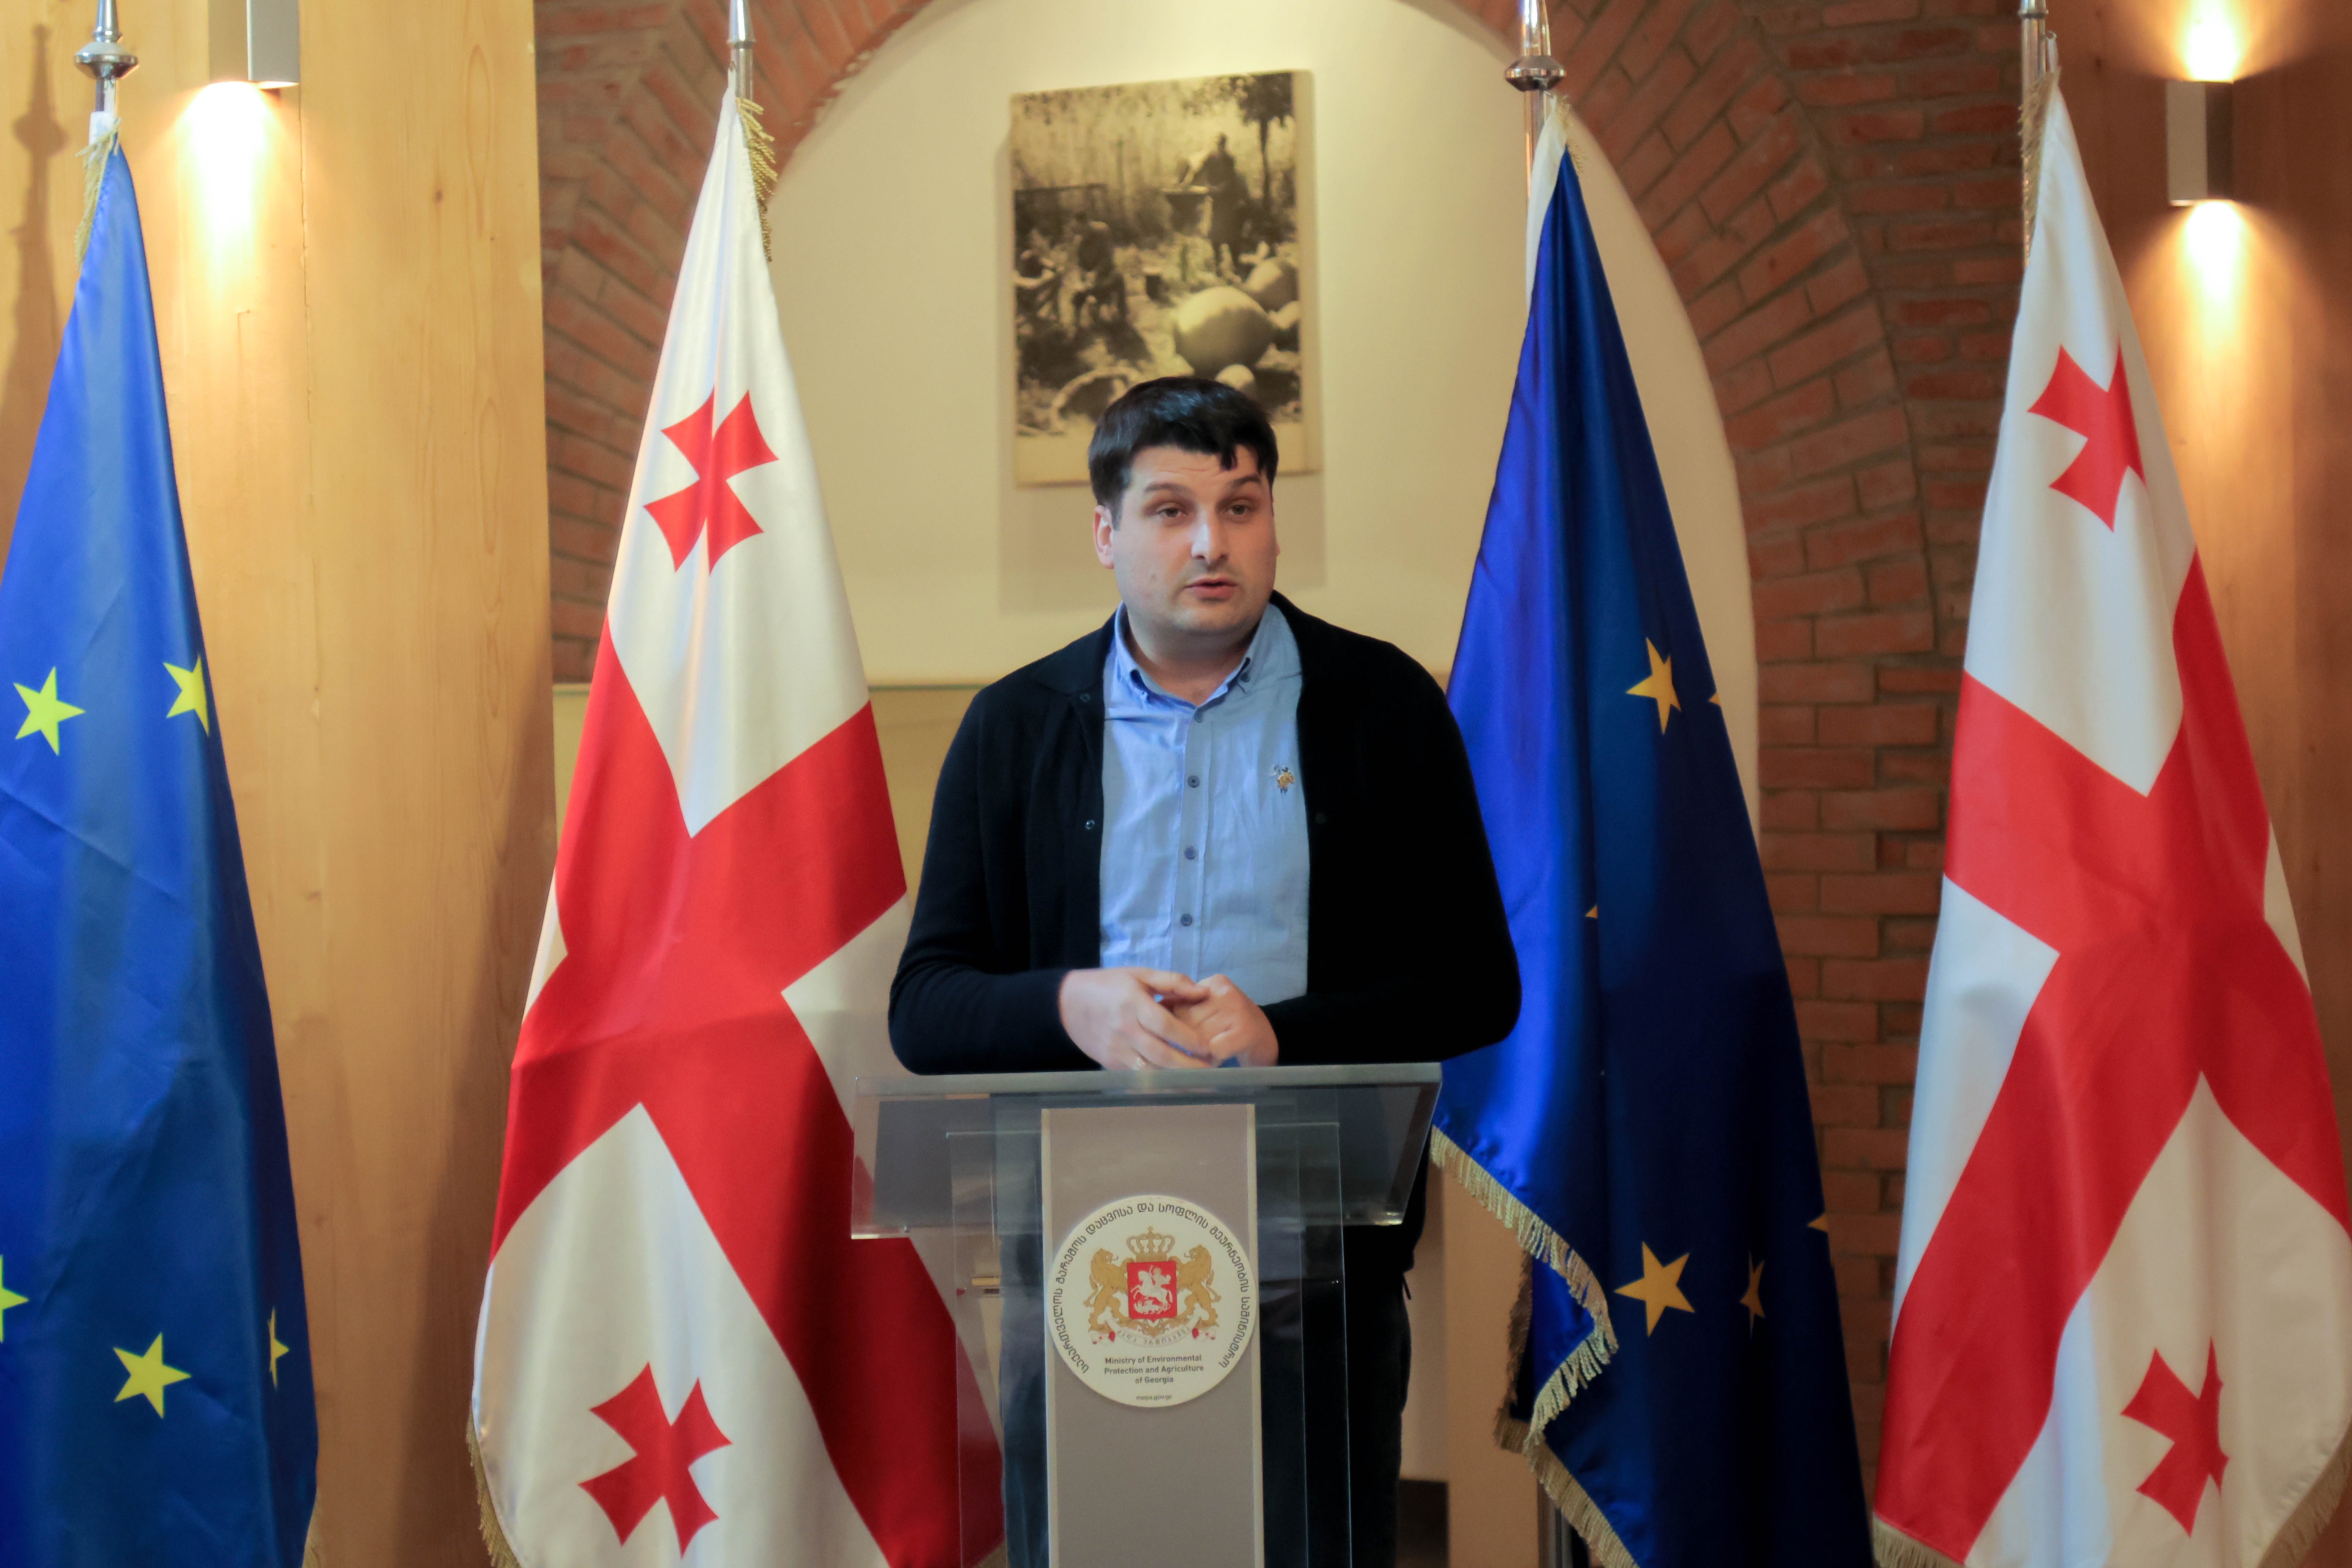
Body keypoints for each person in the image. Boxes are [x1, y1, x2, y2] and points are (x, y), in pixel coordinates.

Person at [890, 377, 1519, 1568]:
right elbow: (925, 1010)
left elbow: (1477, 987)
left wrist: (1285, 1035)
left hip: (1318, 1259)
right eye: (1170, 511)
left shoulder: (1381, 707)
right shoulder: (1014, 727)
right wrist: (1069, 1005)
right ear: (1105, 532)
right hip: (1079, 1249)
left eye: (1240, 506)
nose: (1210, 544)